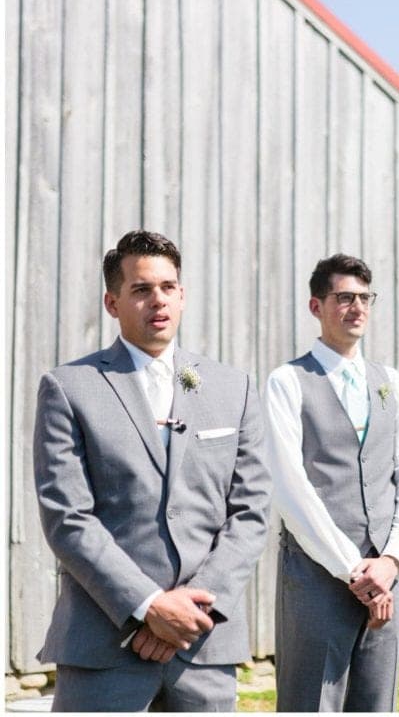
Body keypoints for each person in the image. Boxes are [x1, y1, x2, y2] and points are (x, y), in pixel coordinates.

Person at [33, 230, 272, 710]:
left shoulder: (234, 388)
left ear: (182, 295)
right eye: (141, 289)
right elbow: (68, 518)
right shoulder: (69, 387)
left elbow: (251, 513)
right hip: (105, 642)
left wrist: (190, 612)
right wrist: (147, 607)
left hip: (203, 642)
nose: (157, 300)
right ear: (112, 301)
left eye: (168, 287)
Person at [264, 252, 399, 711]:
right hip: (318, 576)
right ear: (316, 307)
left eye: (364, 297)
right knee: (312, 703)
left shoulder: (391, 382)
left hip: (387, 575)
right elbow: (289, 484)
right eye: (344, 298)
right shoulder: (287, 382)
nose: (356, 307)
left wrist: (392, 561)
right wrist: (352, 569)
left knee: (378, 703)